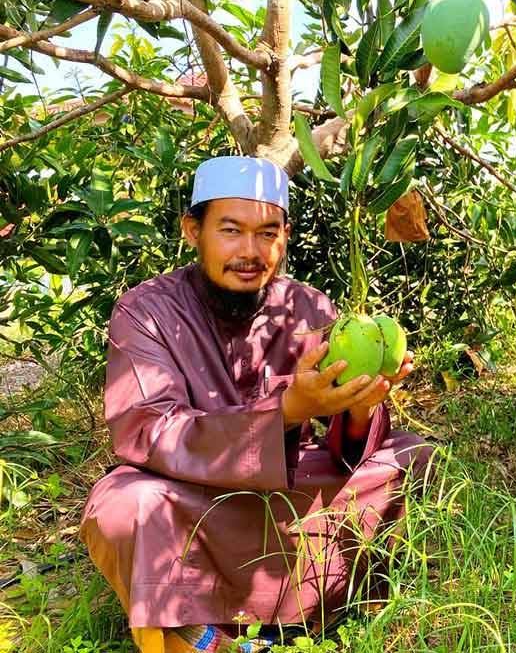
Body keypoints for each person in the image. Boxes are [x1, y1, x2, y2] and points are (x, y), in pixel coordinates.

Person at [80, 156, 432, 653]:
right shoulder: (147, 311)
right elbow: (149, 431)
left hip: (288, 488)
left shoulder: (309, 309)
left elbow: (345, 451)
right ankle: (198, 638)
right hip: (192, 497)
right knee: (124, 506)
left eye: (267, 233)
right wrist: (284, 411)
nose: (250, 251)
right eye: (230, 230)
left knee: (410, 458)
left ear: (285, 237)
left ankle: (328, 605)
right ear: (192, 231)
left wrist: (358, 406)